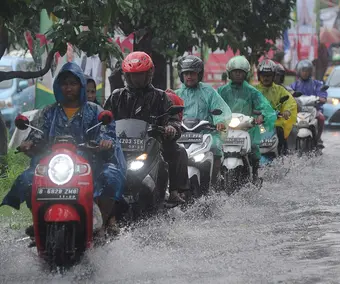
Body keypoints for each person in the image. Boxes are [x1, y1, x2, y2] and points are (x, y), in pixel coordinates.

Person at [1, 62, 126, 236]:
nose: (68, 88)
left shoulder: (95, 110)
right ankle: (39, 219)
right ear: (58, 86)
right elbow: (37, 133)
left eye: (73, 83)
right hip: (54, 162)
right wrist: (28, 143)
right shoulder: (48, 112)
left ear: (81, 85)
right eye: (65, 83)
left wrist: (104, 141)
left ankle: (103, 222)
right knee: (28, 179)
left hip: (89, 161)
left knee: (111, 176)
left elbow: (106, 130)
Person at [104, 52, 189, 204]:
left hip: (151, 146)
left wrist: (171, 128)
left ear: (149, 74)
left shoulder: (161, 97)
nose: (136, 79)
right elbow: (105, 119)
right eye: (133, 75)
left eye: (140, 74)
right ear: (127, 76)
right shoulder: (117, 96)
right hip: (120, 147)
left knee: (172, 156)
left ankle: (170, 193)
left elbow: (174, 120)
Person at [175, 55, 232, 185]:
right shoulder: (176, 94)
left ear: (199, 74)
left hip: (205, 135)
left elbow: (221, 109)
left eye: (193, 73)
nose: (189, 76)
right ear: (181, 75)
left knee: (215, 147)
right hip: (182, 136)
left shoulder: (208, 92)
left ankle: (214, 181)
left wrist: (220, 122)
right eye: (186, 73)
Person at [217, 55, 276, 182]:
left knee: (254, 148)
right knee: (214, 150)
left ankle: (254, 174)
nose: (238, 74)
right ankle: (215, 178)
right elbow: (213, 106)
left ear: (246, 74)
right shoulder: (221, 91)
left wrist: (261, 116)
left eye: (241, 72)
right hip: (225, 128)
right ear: (229, 73)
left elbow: (265, 107)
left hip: (247, 128)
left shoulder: (252, 91)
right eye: (235, 72)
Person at [255, 59, 297, 155]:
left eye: (269, 75)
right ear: (259, 76)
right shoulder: (254, 90)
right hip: (259, 124)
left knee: (280, 133)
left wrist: (287, 110)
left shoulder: (280, 90)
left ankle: (283, 157)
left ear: (273, 76)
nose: (266, 78)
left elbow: (290, 101)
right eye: (263, 75)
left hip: (275, 123)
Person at [289, 59, 327, 148]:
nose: (305, 73)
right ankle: (290, 142)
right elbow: (289, 92)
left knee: (321, 118)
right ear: (299, 71)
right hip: (298, 109)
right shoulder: (295, 85)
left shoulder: (316, 84)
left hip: (313, 110)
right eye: (303, 71)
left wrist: (322, 98)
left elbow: (322, 92)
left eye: (307, 71)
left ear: (311, 71)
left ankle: (318, 138)